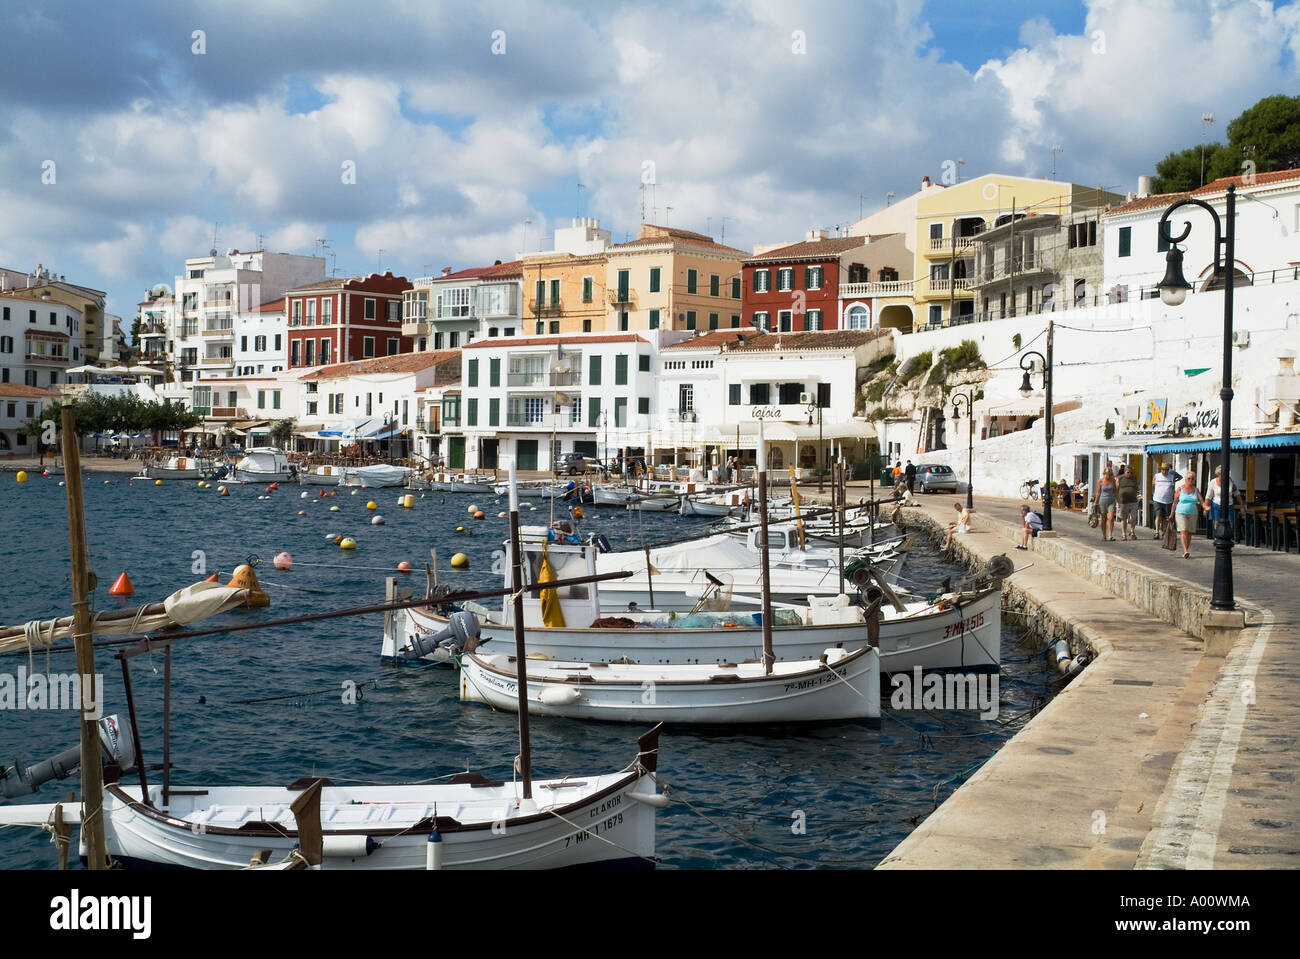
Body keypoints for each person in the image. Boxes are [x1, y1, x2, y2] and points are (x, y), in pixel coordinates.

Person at [1173, 470, 1207, 559]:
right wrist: (1171, 514)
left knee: (1189, 533)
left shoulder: (1196, 490)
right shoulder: (1180, 489)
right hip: (1181, 512)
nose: (1190, 480)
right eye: (1188, 478)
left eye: (1192, 479)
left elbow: (1201, 501)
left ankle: (1185, 550)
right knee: (1183, 531)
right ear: (1185, 479)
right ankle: (1185, 551)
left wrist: (1205, 507)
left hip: (1193, 513)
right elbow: (1175, 502)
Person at [1207, 465, 1243, 535]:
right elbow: (1208, 496)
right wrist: (1206, 507)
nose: (1224, 476)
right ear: (1218, 474)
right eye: (1221, 474)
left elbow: (1236, 493)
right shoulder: (1213, 482)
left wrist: (1242, 504)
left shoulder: (1230, 481)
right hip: (1216, 505)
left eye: (1226, 474)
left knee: (1230, 522)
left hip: (1229, 505)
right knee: (1217, 522)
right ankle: (1217, 536)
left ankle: (1228, 535)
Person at [1151, 462, 1179, 539]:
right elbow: (1153, 485)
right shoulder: (1156, 476)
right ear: (1161, 470)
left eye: (1166, 470)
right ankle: (1156, 532)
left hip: (1168, 500)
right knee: (1158, 515)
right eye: (1163, 470)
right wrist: (1153, 494)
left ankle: (1164, 532)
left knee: (1166, 517)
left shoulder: (1171, 477)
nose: (1164, 471)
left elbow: (1173, 487)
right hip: (1157, 499)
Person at [1116, 464, 1141, 540]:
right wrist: (1118, 501)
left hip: (1133, 501)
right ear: (1125, 472)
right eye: (1128, 472)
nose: (1129, 474)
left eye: (1131, 472)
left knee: (1134, 517)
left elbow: (1138, 488)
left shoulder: (1135, 478)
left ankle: (1132, 531)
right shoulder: (1120, 478)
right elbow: (1116, 490)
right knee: (1124, 518)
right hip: (1123, 502)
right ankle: (1124, 534)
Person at [1095, 468, 1118, 541]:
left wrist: (1118, 501)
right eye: (1106, 474)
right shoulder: (1100, 481)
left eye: (1109, 474)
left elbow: (1115, 492)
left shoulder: (1113, 481)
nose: (1107, 476)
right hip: (1102, 501)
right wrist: (1096, 502)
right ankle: (1104, 535)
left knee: (1111, 518)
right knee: (1103, 519)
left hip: (1111, 500)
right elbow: (1098, 492)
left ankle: (1110, 535)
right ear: (1104, 474)